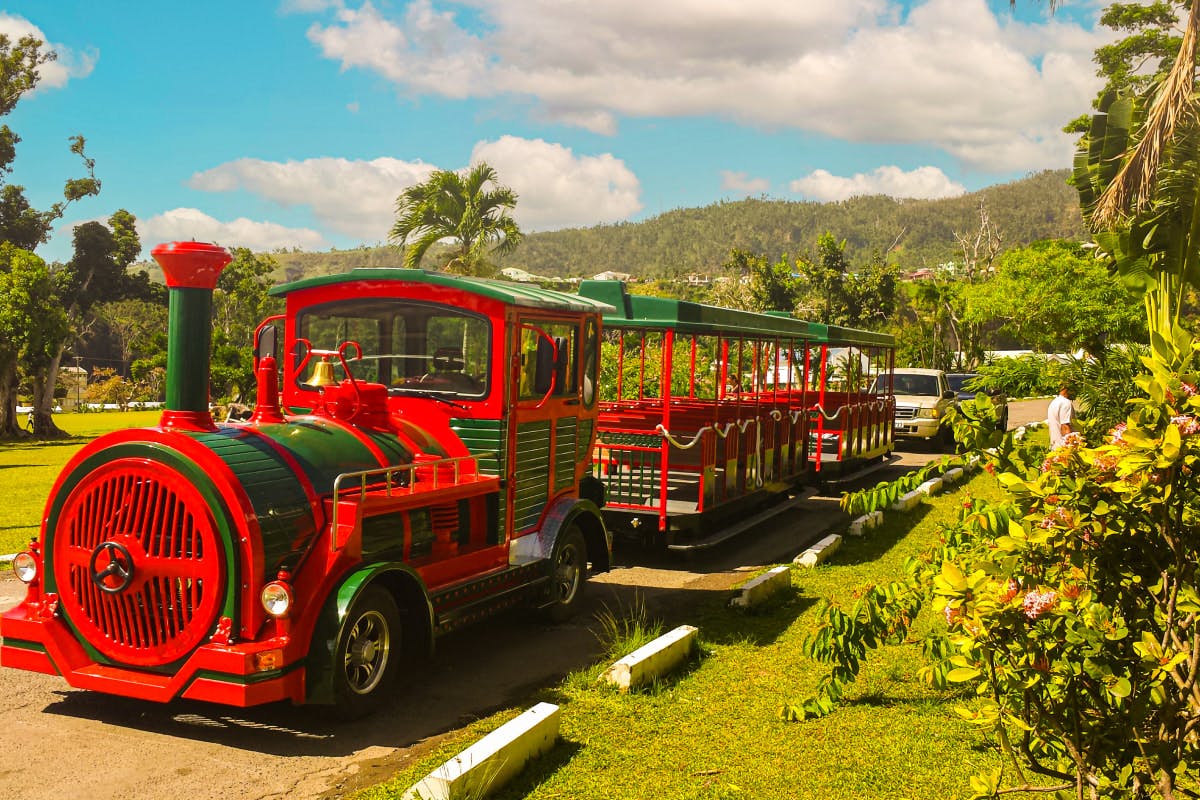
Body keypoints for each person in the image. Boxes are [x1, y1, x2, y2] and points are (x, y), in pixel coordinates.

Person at [1047, 383, 1075, 449]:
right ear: (1066, 389)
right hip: (1063, 447)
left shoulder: (1055, 402)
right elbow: (1065, 426)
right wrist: (1070, 446)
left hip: (1055, 445)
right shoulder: (1066, 402)